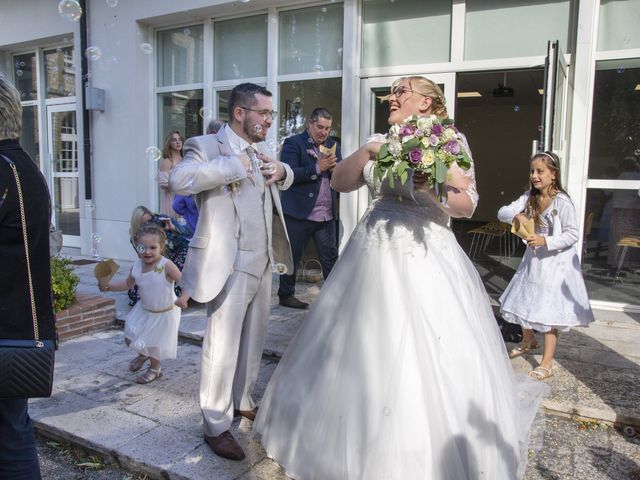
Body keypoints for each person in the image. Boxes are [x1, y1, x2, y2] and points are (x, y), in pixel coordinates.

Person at [254, 76, 547, 479]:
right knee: (358, 341)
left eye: (401, 91)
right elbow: (340, 181)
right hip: (371, 246)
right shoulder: (379, 137)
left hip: (425, 250)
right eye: (392, 91)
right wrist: (373, 148)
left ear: (426, 103)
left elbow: (466, 203)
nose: (392, 97)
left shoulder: (449, 140)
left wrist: (430, 186)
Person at [169, 83, 294, 461]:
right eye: (265, 113)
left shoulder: (263, 149)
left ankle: (241, 398)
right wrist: (229, 166)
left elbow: (284, 179)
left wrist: (282, 169)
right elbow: (179, 180)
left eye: (272, 114)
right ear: (240, 113)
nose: (270, 120)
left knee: (254, 339)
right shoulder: (205, 147)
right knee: (222, 347)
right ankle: (215, 423)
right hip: (229, 261)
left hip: (264, 259)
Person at [0, 74, 56, 479]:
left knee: (11, 433)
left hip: (5, 329)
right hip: (15, 327)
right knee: (11, 427)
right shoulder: (23, 166)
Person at [499, 151, 594, 380]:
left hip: (555, 263)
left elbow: (572, 234)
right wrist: (518, 216)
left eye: (540, 171)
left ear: (554, 174)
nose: (534, 175)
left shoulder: (562, 202)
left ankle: (547, 362)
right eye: (532, 171)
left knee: (548, 312)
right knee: (524, 300)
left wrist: (546, 240)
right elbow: (503, 212)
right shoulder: (529, 196)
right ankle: (528, 339)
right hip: (534, 261)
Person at [99, 223, 181, 384]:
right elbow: (128, 284)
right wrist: (109, 287)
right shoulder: (136, 266)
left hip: (163, 312)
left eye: (153, 247)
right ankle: (143, 354)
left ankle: (155, 369)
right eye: (143, 248)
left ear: (161, 247)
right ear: (137, 247)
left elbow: (185, 281)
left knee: (154, 345)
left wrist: (183, 298)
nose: (148, 252)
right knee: (130, 337)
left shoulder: (166, 266)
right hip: (144, 310)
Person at [277, 107, 341, 309]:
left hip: (326, 213)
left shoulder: (333, 146)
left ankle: (336, 296)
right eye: (320, 127)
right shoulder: (293, 143)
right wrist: (317, 168)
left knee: (330, 257)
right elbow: (288, 174)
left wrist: (337, 170)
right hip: (299, 212)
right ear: (310, 124)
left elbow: (338, 176)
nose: (324, 132)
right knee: (292, 257)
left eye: (327, 128)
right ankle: (286, 296)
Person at [127, 205, 190, 305]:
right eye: (143, 224)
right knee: (136, 294)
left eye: (149, 221)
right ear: (137, 224)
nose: (147, 225)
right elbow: (145, 259)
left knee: (170, 286)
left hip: (178, 255)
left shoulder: (161, 223)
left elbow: (187, 235)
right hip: (158, 262)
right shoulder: (136, 238)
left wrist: (172, 228)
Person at [157, 130, 184, 219]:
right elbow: (163, 184)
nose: (178, 142)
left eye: (179, 139)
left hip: (184, 199)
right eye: (174, 140)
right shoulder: (168, 161)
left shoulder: (185, 158)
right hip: (172, 199)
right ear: (169, 143)